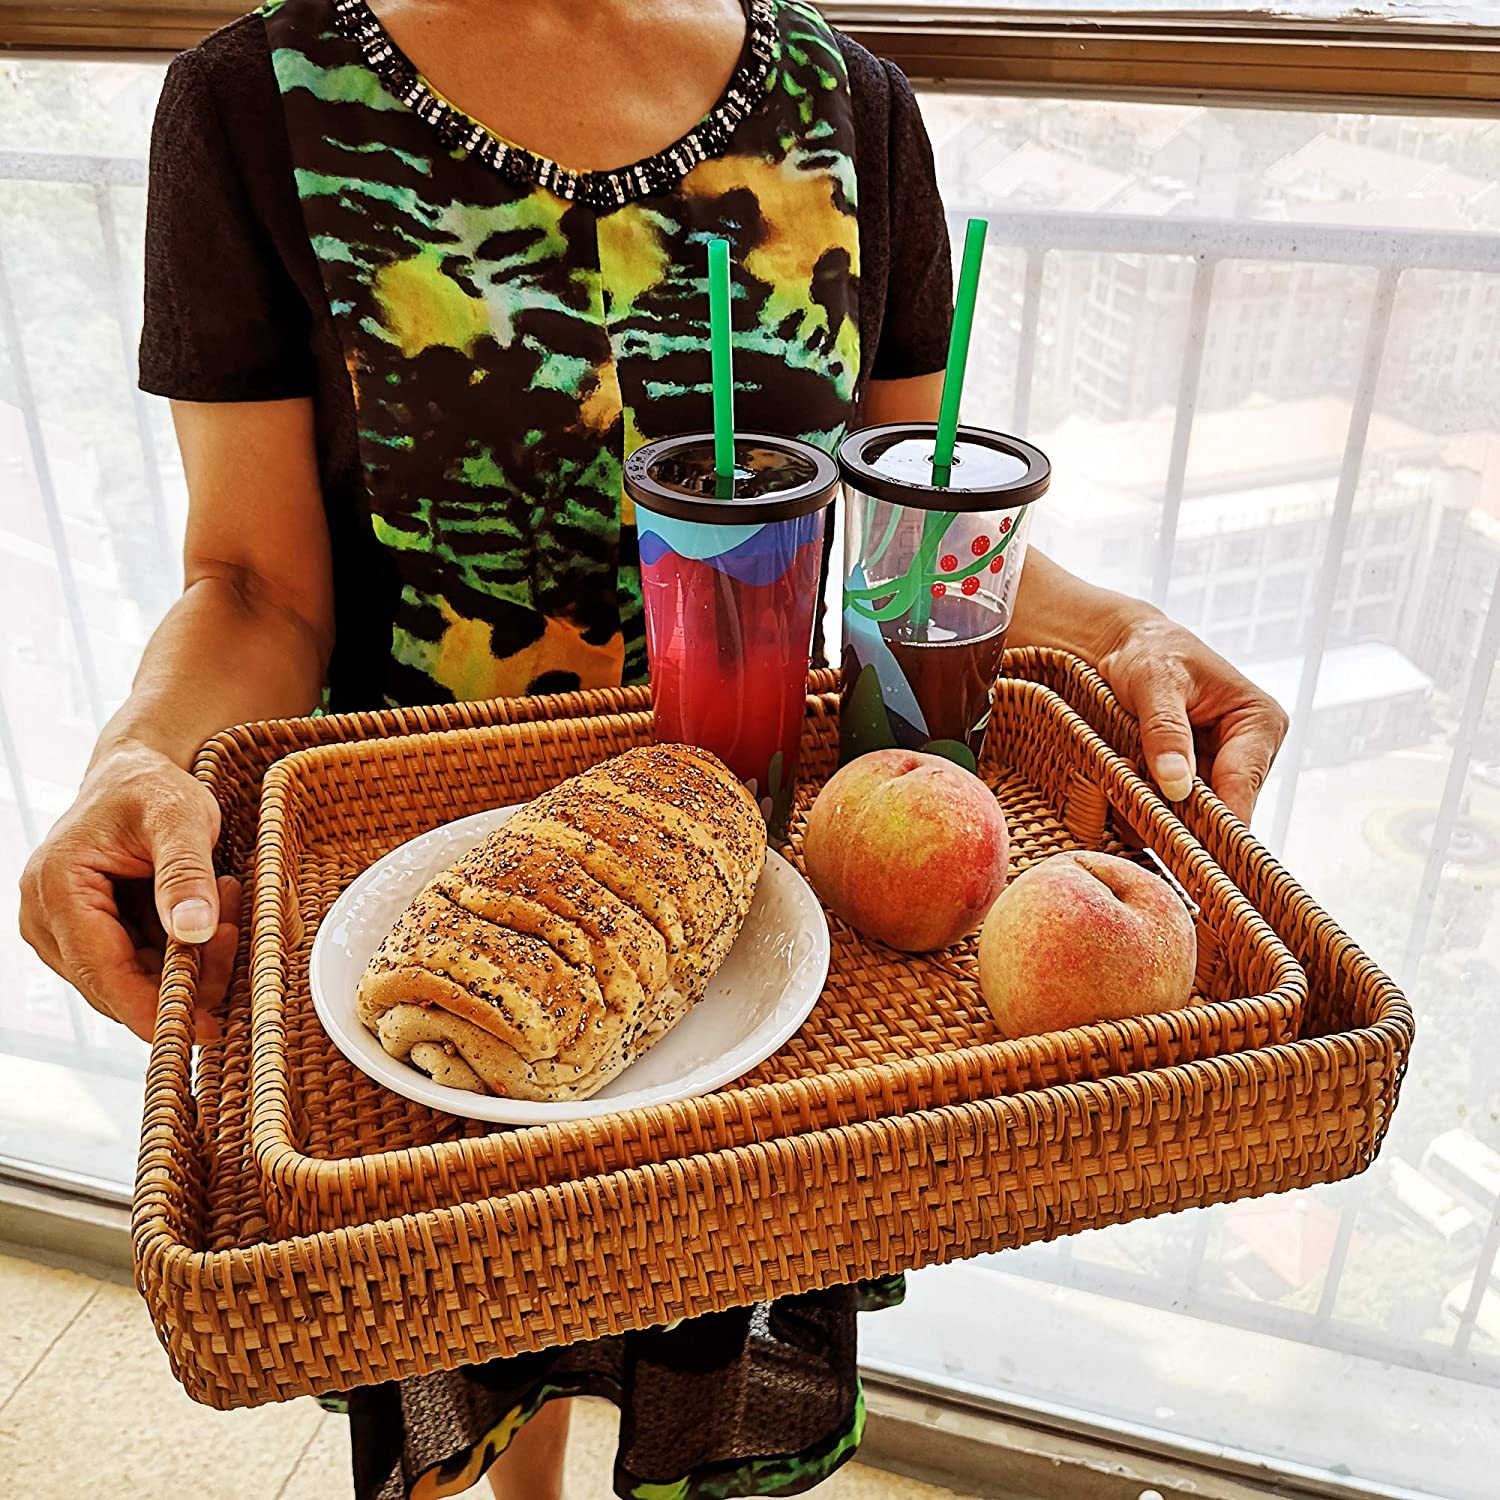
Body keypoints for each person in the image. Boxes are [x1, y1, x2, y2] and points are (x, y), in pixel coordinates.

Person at [18, 1, 1289, 1496]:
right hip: (437, 924)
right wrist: (138, 754)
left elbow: (915, 524)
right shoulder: (255, 105)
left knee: (686, 1317)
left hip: (747, 926)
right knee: (475, 1330)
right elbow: (251, 584)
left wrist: (1118, 623)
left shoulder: (852, 107)